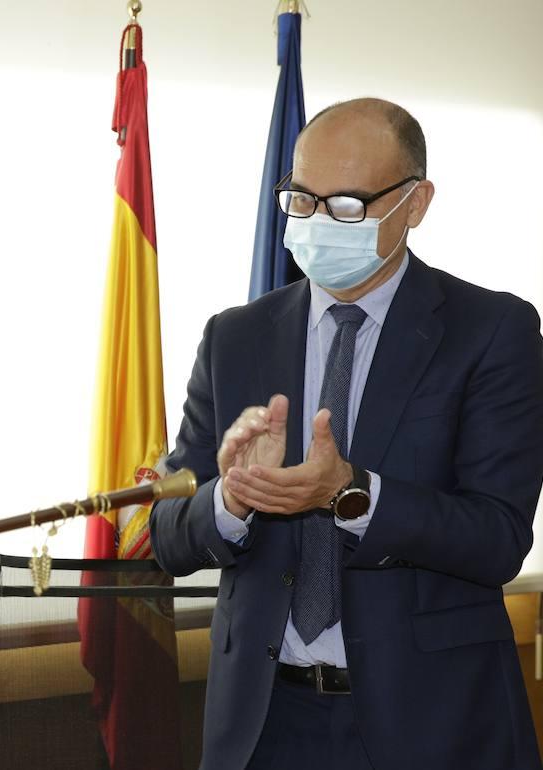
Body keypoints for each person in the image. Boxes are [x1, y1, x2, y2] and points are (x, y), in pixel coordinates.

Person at [150, 98, 543, 770]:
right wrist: (233, 497)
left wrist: (352, 493)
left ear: (415, 204)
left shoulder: (491, 331)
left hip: (431, 720)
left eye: (348, 207)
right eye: (301, 201)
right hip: (265, 722)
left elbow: (497, 539)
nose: (320, 223)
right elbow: (167, 532)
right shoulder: (235, 337)